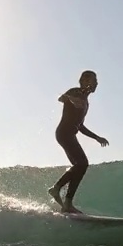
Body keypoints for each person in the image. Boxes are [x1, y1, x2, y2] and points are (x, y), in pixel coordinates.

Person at [48, 70, 108, 213]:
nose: (96, 83)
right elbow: (62, 98)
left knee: (79, 167)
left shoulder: (86, 102)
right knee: (82, 163)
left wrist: (97, 137)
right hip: (64, 133)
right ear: (85, 81)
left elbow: (80, 125)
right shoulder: (75, 92)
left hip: (69, 134)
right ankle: (57, 189)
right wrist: (70, 98)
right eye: (94, 80)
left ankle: (67, 202)